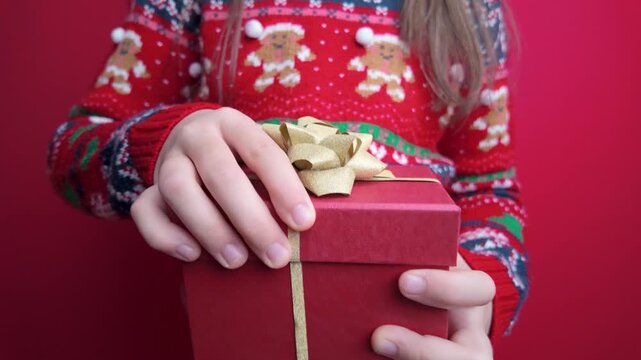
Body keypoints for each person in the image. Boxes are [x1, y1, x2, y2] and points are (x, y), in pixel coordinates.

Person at [47, 0, 528, 358]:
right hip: (238, 326)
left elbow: (490, 191)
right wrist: (160, 144)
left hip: (410, 331)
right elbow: (72, 153)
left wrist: (480, 295)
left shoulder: (470, 11)